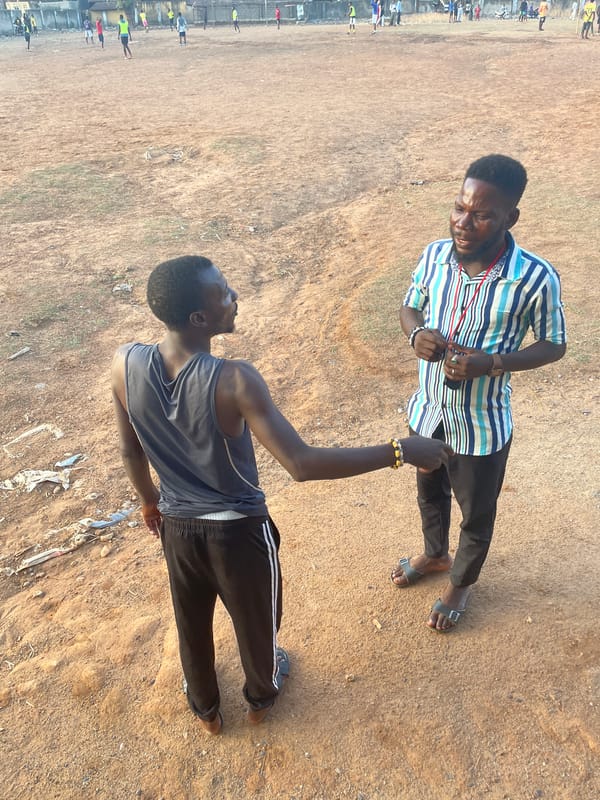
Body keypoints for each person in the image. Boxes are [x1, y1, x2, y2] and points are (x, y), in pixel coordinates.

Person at [111, 256, 451, 734]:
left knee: (190, 619)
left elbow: (130, 449)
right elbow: (301, 464)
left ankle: (206, 709)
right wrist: (401, 449)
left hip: (177, 526)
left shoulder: (124, 363)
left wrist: (149, 501)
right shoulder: (233, 379)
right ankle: (260, 697)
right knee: (258, 622)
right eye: (224, 293)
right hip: (238, 533)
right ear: (199, 319)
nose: (235, 298)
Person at [391, 154, 566, 632]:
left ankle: (461, 583)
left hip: (482, 422)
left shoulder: (535, 277)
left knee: (476, 510)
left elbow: (555, 345)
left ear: (510, 217)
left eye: (482, 214)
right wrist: (416, 334)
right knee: (429, 491)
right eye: (459, 207)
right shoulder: (433, 255)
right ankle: (434, 554)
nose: (464, 223)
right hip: (427, 411)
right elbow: (410, 305)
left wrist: (492, 363)